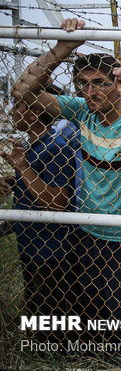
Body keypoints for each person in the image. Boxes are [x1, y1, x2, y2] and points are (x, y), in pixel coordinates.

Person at [11, 18, 121, 343]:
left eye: (100, 83)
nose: (90, 91)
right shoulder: (81, 111)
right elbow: (22, 92)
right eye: (84, 83)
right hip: (89, 233)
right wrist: (63, 48)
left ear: (116, 86)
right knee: (94, 318)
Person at [0, 94, 78, 344]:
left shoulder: (55, 148)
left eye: (18, 105)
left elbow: (56, 201)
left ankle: (55, 353)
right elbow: (35, 185)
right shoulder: (36, 145)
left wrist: (22, 167)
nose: (12, 111)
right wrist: (14, 181)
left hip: (50, 248)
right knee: (35, 304)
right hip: (32, 242)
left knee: (50, 310)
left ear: (33, 113)